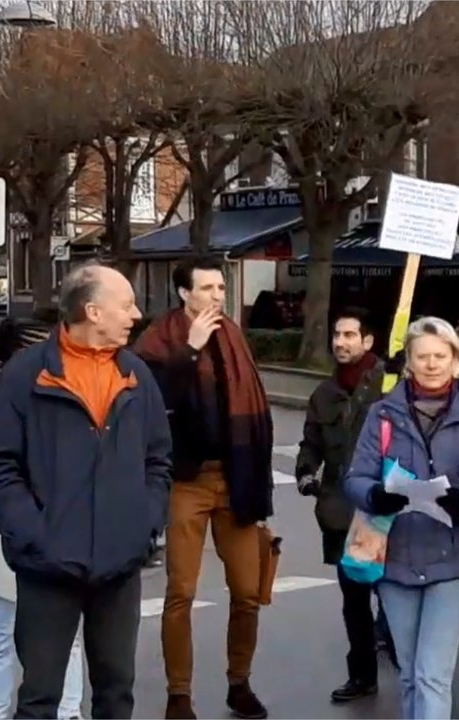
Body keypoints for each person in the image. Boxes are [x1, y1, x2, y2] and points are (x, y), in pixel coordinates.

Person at [0, 263, 171, 719]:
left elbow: (158, 461)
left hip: (119, 566)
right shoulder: (27, 376)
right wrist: (35, 534)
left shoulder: (137, 376)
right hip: (47, 569)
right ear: (92, 311)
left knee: (116, 694)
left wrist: (143, 524)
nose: (136, 314)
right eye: (126, 305)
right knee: (40, 698)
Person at [134, 256, 275, 720]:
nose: (217, 295)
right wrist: (190, 351)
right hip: (186, 480)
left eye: (220, 286)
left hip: (234, 477)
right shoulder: (160, 337)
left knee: (247, 589)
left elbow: (257, 414)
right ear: (183, 293)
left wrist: (258, 490)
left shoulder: (233, 334)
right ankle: (180, 695)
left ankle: (241, 682)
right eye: (208, 288)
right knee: (182, 590)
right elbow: (150, 401)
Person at [345, 316, 459, 720]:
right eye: (423, 356)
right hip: (395, 556)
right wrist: (375, 494)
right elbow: (356, 477)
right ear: (409, 362)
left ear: (455, 360)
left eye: (440, 356)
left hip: (454, 559)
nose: (432, 364)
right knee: (411, 674)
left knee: (432, 674)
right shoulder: (382, 415)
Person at [0, 314, 88, 720]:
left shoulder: (69, 394)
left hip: (62, 534)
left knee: (68, 638)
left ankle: (67, 712)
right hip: (2, 536)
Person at [294, 308, 387, 704]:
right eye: (337, 334)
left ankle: (414, 667)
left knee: (394, 595)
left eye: (350, 335)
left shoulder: (389, 384)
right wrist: (305, 470)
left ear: (368, 341)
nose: (341, 342)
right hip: (340, 510)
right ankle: (362, 674)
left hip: (384, 511)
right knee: (354, 600)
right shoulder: (324, 394)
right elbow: (311, 441)